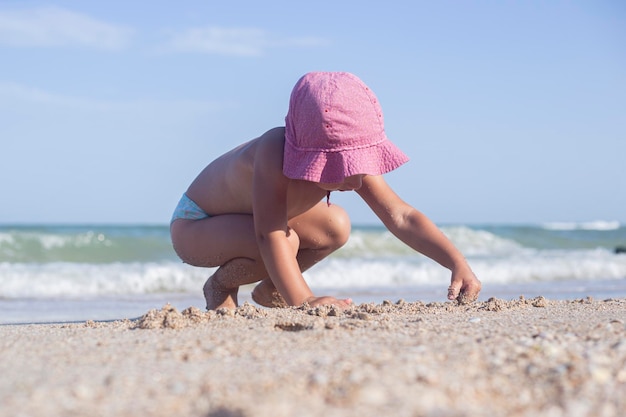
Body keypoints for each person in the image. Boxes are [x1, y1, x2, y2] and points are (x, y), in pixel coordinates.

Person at [170, 71, 481, 310]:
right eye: (342, 167)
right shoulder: (274, 152)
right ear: (311, 155)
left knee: (336, 225)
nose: (356, 182)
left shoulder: (352, 169)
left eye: (357, 165)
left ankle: (271, 289)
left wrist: (456, 262)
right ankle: (221, 285)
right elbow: (270, 234)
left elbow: (402, 216)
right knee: (285, 241)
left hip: (248, 223)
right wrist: (305, 300)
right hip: (197, 224)